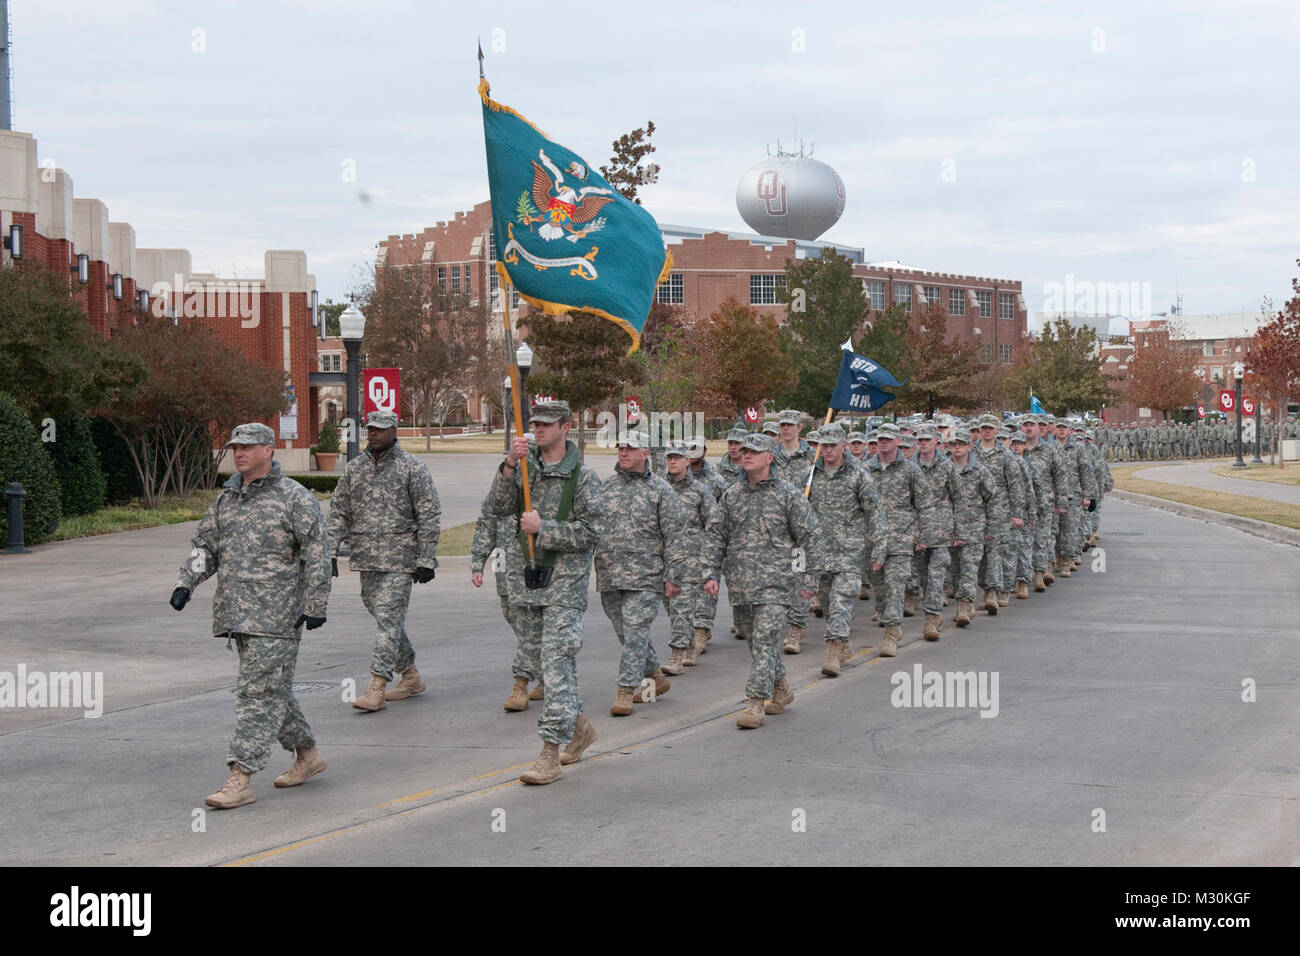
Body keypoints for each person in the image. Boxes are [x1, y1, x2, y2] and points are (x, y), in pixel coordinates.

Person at [170, 422, 331, 810]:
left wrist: (316, 604)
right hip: (237, 615)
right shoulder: (227, 500)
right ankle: (307, 754)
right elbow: (205, 545)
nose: (239, 453)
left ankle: (240, 776)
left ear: (268, 451)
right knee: (272, 691)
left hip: (278, 618)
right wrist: (186, 583)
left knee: (255, 695)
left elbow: (317, 553)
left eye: (247, 447)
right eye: (234, 447)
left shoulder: (294, 497)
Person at [486, 401, 603, 784]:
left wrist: (544, 528)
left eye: (546, 424)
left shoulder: (583, 478)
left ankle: (550, 753)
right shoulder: (524, 469)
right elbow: (496, 507)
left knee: (555, 664)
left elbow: (591, 533)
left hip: (563, 588)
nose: (537, 429)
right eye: (534, 423)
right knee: (546, 669)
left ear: (566, 427)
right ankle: (580, 727)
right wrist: (507, 465)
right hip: (526, 585)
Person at [702, 432, 820, 729]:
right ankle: (781, 687)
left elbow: (809, 537)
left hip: (777, 584)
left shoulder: (788, 494)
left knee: (766, 642)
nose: (747, 455)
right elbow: (716, 535)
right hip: (742, 584)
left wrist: (806, 577)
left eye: (754, 451)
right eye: (744, 451)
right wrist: (710, 572)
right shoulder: (732, 495)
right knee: (754, 641)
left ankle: (755, 703)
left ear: (770, 457)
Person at [328, 409, 440, 712]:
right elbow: (339, 512)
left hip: (401, 559)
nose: (373, 433)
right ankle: (411, 676)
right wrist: (329, 550)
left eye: (380, 429)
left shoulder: (411, 468)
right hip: (367, 557)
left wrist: (426, 557)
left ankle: (377, 685)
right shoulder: (354, 470)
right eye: (370, 429)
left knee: (388, 619)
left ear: (394, 431)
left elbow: (428, 513)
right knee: (383, 618)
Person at [595, 431, 686, 714]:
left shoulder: (661, 490)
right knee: (626, 633)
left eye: (630, 448)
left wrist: (674, 575)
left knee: (635, 632)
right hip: (610, 574)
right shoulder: (606, 487)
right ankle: (655, 678)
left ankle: (625, 689)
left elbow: (676, 535)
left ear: (645, 453)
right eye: (621, 448)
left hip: (646, 576)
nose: (623, 453)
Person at [805, 423, 882, 675]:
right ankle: (844, 642)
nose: (827, 450)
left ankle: (833, 651)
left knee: (841, 602)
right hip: (820, 552)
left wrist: (879, 547)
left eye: (832, 446)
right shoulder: (810, 476)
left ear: (843, 446)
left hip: (850, 551)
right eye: (823, 445)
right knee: (826, 604)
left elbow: (875, 512)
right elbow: (798, 515)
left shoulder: (858, 475)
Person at [471, 495, 542, 711]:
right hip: (505, 575)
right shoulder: (500, 493)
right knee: (519, 627)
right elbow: (486, 527)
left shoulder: (538, 491)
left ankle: (520, 684)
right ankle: (546, 676)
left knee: (531, 630)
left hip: (533, 574)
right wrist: (477, 564)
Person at [865, 423, 922, 656]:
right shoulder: (864, 470)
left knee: (895, 585)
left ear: (897, 441)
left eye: (888, 438)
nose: (883, 442)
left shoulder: (910, 470)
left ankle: (891, 631)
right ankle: (887, 615)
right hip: (872, 540)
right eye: (880, 439)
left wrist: (918, 535)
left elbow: (923, 504)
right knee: (880, 588)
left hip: (901, 539)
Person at [663, 442, 717, 667]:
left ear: (687, 461)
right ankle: (690, 643)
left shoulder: (700, 491)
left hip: (691, 559)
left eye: (678, 457)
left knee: (681, 606)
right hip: (664, 559)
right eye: (669, 457)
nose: (673, 461)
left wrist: (708, 561)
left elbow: (713, 525)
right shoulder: (659, 488)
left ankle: (677, 654)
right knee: (672, 608)